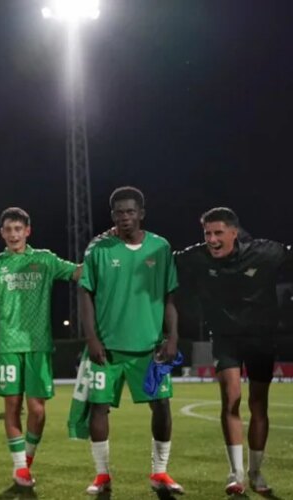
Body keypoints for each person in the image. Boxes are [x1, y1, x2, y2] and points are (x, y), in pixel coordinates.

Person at [174, 207, 293, 495]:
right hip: (225, 338)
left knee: (258, 405)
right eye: (207, 233)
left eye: (218, 233)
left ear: (234, 232)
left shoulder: (264, 253)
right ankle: (236, 474)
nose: (212, 239)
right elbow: (157, 258)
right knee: (231, 398)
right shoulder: (196, 256)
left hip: (261, 338)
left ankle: (256, 473)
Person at [78, 187, 182, 495]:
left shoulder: (160, 248)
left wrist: (172, 336)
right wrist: (92, 338)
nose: (125, 217)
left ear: (141, 213)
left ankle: (160, 473)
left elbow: (169, 295)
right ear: (112, 216)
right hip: (107, 348)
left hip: (150, 347)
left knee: (161, 406)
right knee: (98, 408)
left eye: (130, 211)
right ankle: (102, 476)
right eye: (119, 212)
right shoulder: (98, 248)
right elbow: (85, 292)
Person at [0, 207, 81, 488]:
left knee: (38, 411)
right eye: (8, 230)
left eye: (18, 229)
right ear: (2, 233)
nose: (13, 234)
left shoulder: (44, 260)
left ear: (27, 231)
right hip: (7, 346)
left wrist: (104, 252)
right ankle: (20, 468)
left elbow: (78, 273)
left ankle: (26, 460)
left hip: (38, 346)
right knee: (12, 406)